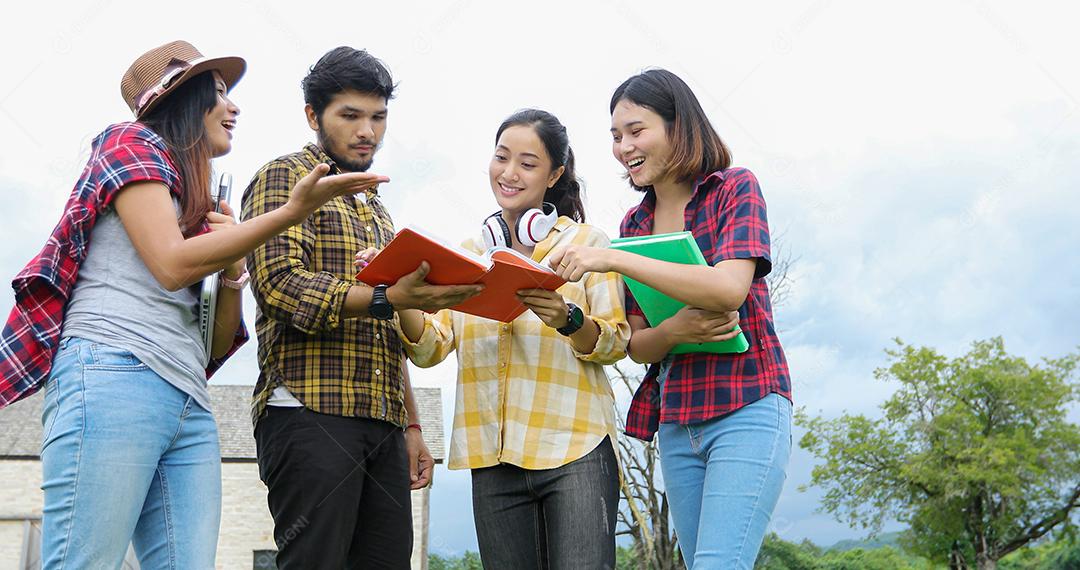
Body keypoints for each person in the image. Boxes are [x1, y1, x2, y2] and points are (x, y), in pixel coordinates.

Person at [0, 40, 385, 568]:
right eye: (219, 92)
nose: (234, 106)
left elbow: (219, 340)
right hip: (113, 371)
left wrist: (232, 272)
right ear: (179, 100)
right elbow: (171, 264)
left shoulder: (198, 197)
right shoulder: (128, 141)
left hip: (186, 393)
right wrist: (287, 214)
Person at [241, 46, 482, 569]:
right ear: (313, 116)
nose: (367, 131)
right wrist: (386, 297)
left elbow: (389, 325)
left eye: (378, 117)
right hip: (309, 410)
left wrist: (412, 426)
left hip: (384, 421)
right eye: (350, 115)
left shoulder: (377, 207)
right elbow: (280, 286)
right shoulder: (283, 177)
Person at [550, 69, 793, 569]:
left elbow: (728, 289)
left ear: (678, 126)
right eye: (616, 136)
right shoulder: (635, 224)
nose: (624, 147)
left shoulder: (733, 189)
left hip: (747, 405)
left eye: (636, 130)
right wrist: (673, 332)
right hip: (679, 420)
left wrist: (614, 258)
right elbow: (638, 344)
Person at [393, 109, 630, 569]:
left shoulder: (588, 244)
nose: (509, 173)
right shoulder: (467, 256)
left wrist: (568, 318)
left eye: (527, 163)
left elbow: (615, 342)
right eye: (502, 157)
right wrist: (402, 293)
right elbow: (429, 348)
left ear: (554, 175)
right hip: (491, 458)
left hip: (575, 449)